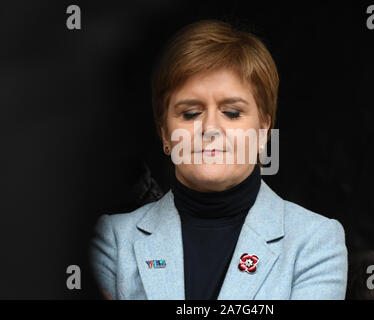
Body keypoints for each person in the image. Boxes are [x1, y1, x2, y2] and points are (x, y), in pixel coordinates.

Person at [89, 19, 347, 300]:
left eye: (232, 113)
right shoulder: (114, 240)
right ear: (165, 134)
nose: (210, 127)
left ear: (263, 131)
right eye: (190, 114)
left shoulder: (315, 241)